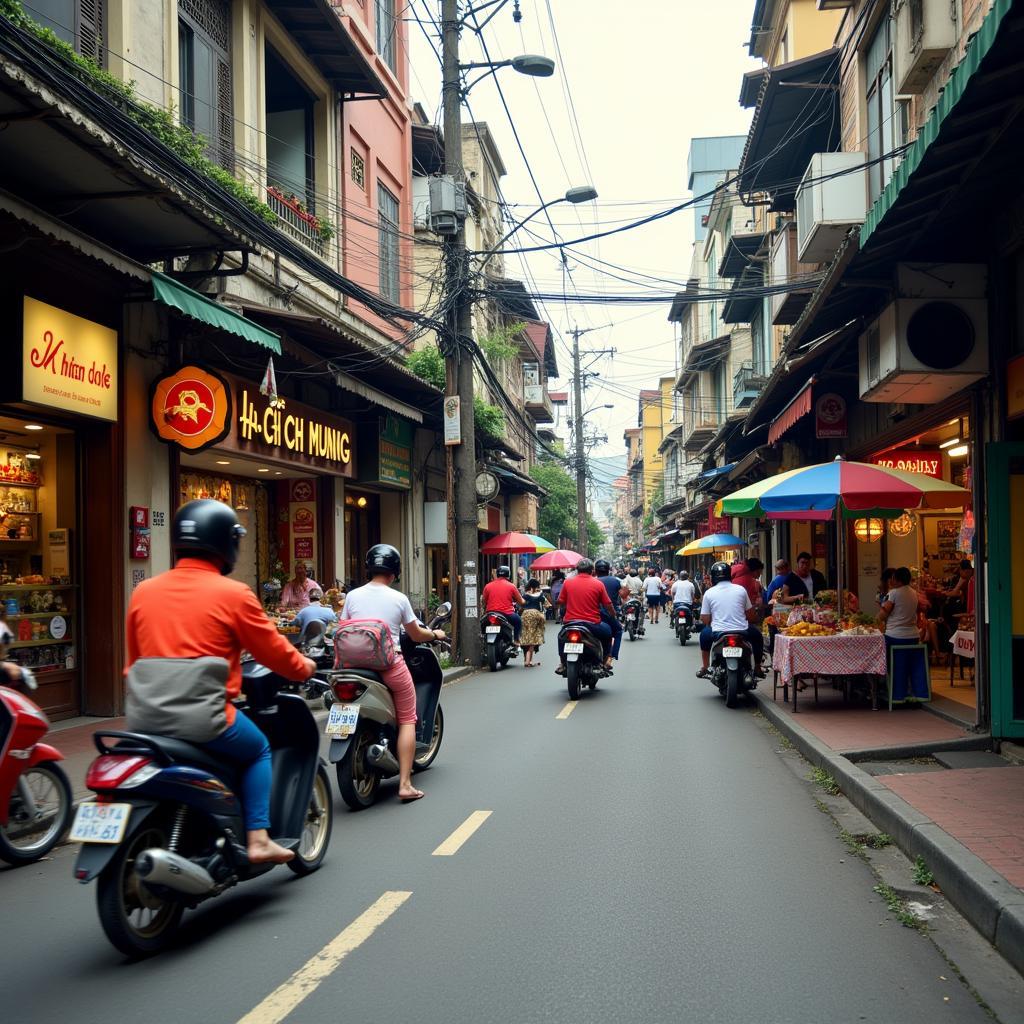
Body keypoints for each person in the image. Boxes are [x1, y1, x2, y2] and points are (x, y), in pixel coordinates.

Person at [126, 500, 316, 865]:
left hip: (144, 720)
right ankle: (258, 837)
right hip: (204, 717)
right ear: (226, 543)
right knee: (258, 748)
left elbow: (131, 663)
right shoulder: (233, 594)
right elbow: (273, 651)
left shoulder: (143, 592)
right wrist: (304, 667)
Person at [340, 544, 446, 802]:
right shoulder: (398, 599)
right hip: (388, 665)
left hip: (351, 666)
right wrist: (435, 634)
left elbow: (343, 626)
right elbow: (415, 634)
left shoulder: (353, 596)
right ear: (395, 571)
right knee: (408, 717)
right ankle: (406, 784)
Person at [696, 560, 764, 679]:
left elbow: (705, 619)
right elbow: (751, 615)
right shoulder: (740, 590)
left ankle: (705, 667)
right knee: (758, 636)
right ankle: (758, 667)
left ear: (713, 577)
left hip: (717, 632)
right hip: (742, 630)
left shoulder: (709, 593)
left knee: (703, 636)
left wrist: (713, 620)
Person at [878, 566, 929, 700]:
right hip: (913, 636)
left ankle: (896, 694)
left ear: (897, 579)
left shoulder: (894, 593)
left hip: (895, 636)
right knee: (912, 665)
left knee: (887, 659)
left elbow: (883, 614)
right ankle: (917, 692)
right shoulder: (913, 592)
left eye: (893, 578)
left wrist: (877, 617)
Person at [556, 558, 614, 673]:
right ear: (592, 570)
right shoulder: (598, 584)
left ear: (577, 570)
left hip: (570, 623)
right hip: (592, 624)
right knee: (608, 633)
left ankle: (562, 663)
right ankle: (604, 661)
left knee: (561, 637)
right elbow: (608, 604)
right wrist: (613, 614)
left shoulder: (568, 583)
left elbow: (560, 602)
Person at [481, 565, 524, 643]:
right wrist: (525, 601)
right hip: (507, 614)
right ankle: (516, 640)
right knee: (518, 621)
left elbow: (484, 601)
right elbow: (521, 601)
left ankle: (482, 642)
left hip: (490, 613)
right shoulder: (511, 586)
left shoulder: (488, 586)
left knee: (481, 625)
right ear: (508, 574)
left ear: (497, 574)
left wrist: (485, 609)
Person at [594, 559, 624, 662]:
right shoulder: (616, 580)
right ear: (608, 570)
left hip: (593, 614)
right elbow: (625, 592)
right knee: (619, 631)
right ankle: (610, 657)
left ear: (595, 571)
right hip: (608, 613)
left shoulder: (592, 581)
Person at [520, 578, 549, 668]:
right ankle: (529, 660)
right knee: (534, 637)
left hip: (525, 615)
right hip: (536, 615)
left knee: (526, 636)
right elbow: (547, 605)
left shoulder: (525, 595)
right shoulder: (540, 595)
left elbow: (521, 605)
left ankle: (527, 659)